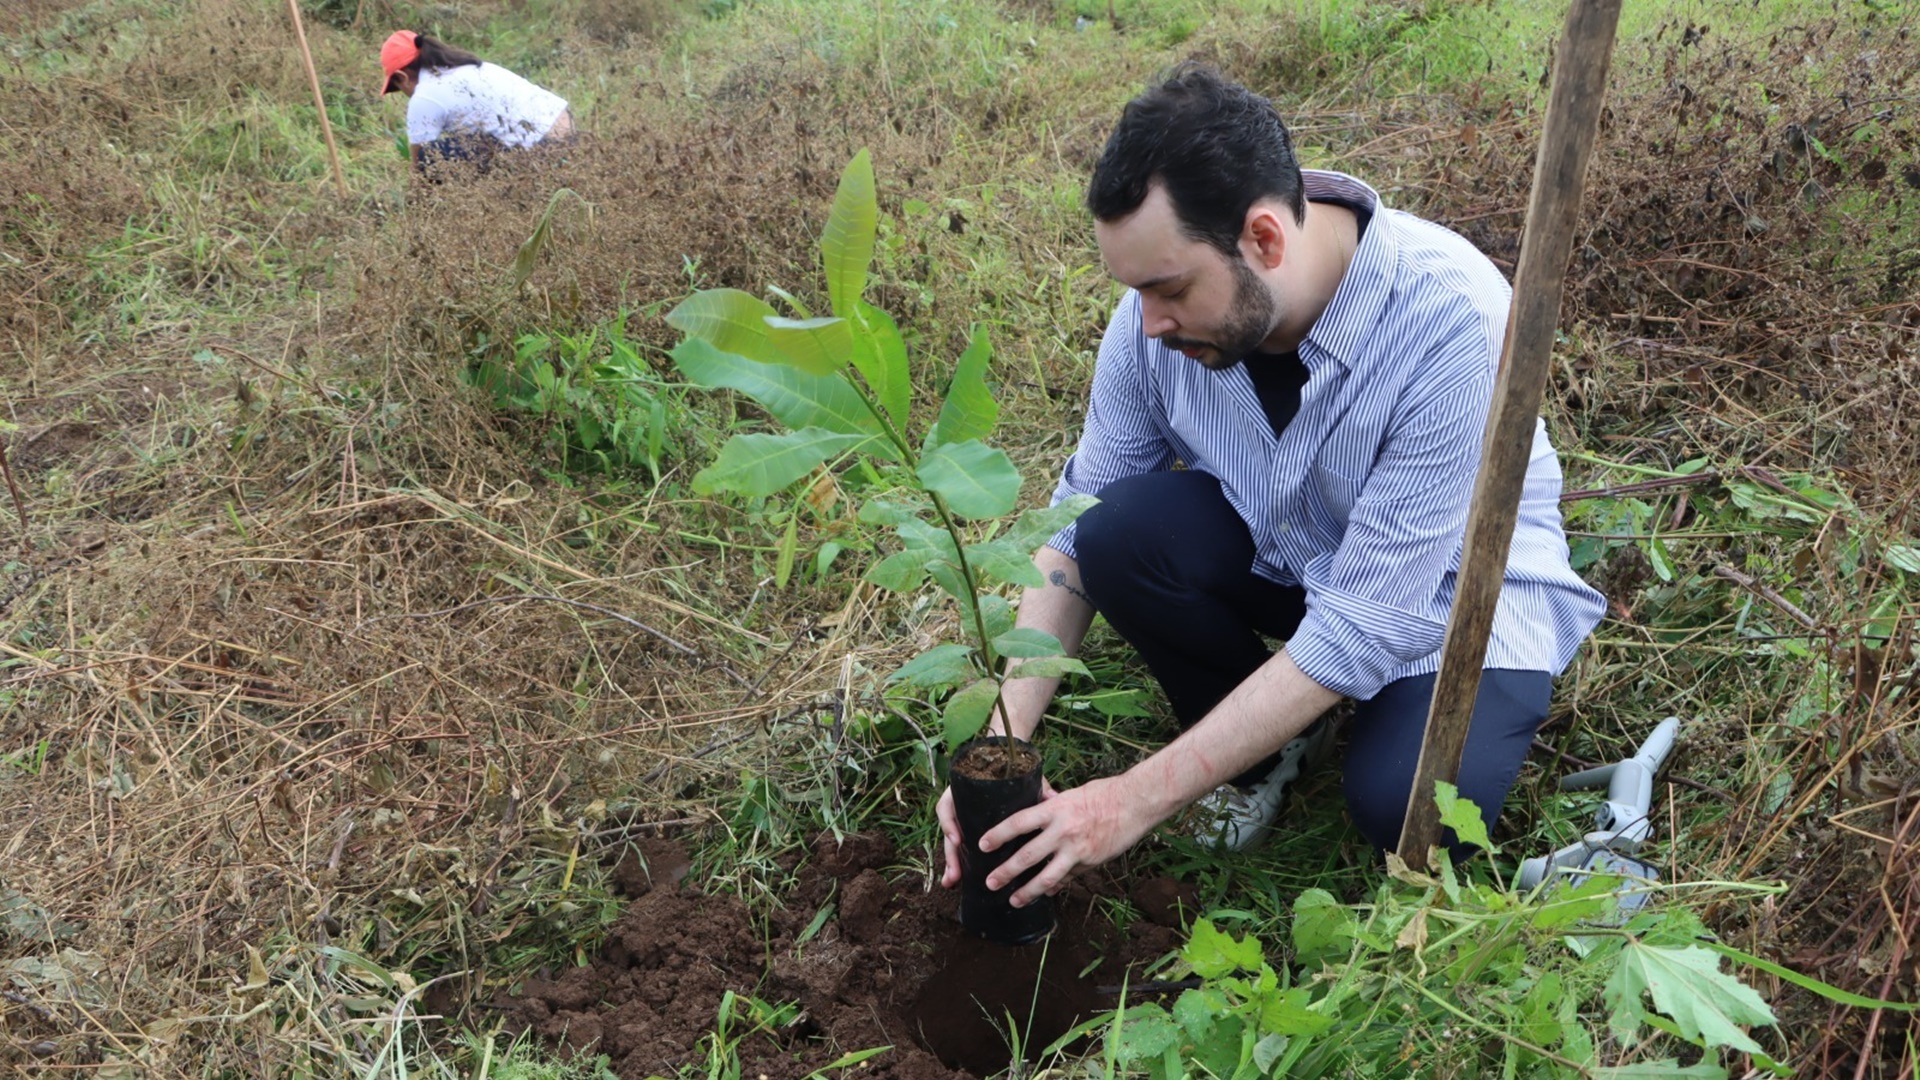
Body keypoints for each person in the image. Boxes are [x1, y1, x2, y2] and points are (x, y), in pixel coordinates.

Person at [936, 64, 1606, 910]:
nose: (1148, 321)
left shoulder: (1452, 322)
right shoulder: (1158, 325)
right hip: (1296, 556)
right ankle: (1266, 749)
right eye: (1134, 290)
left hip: (1451, 600)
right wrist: (998, 749)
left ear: (1263, 238)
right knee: (1113, 527)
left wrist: (1128, 802)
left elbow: (1365, 624)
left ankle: (1337, 730)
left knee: (1405, 807)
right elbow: (1072, 530)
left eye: (1169, 288)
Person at [378, 30, 574, 174]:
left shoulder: (424, 96)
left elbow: (419, 169)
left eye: (398, 88)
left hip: (542, 150)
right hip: (567, 127)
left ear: (402, 77)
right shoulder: (468, 67)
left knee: (429, 158)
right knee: (475, 144)